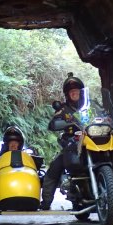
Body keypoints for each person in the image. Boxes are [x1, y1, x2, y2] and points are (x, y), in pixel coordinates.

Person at [40, 73, 85, 210]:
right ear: (67, 94)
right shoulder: (63, 109)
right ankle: (46, 202)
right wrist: (62, 123)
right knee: (55, 168)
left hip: (92, 141)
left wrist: (107, 119)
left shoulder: (89, 106)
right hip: (73, 144)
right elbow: (53, 123)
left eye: (76, 91)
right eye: (72, 91)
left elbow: (102, 114)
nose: (74, 93)